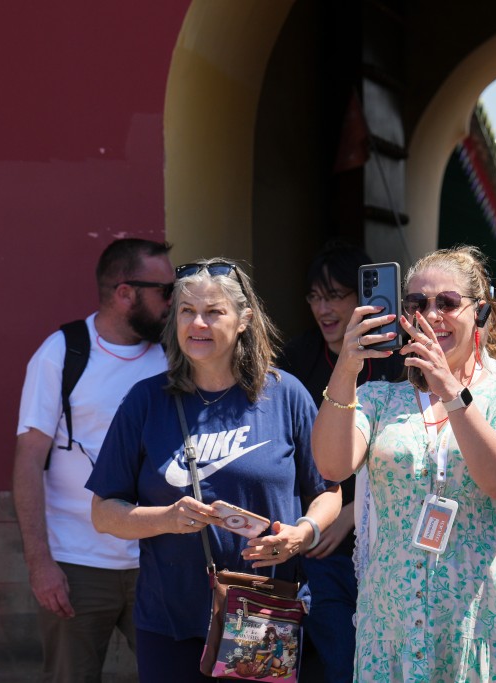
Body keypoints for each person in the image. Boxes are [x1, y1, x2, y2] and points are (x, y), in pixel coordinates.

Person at [312, 246, 496, 682]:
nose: (431, 314)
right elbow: (333, 467)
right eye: (416, 304)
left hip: (486, 621)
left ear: (480, 312)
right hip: (394, 624)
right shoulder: (379, 399)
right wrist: (348, 367)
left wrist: (450, 391)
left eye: (447, 303)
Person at [86, 258, 342, 683]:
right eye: (187, 311)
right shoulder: (145, 402)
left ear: (243, 320)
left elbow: (328, 490)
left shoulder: (285, 395)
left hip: (262, 614)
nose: (197, 323)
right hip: (170, 623)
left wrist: (303, 535)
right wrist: (165, 519)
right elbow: (103, 512)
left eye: (213, 312)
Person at [13, 237, 174, 682]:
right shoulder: (62, 353)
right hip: (78, 565)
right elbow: (28, 461)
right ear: (125, 293)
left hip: (156, 559)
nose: (174, 303)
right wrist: (40, 564)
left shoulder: (174, 354)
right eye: (165, 291)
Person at [278, 240, 404, 681]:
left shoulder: (402, 358)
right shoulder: (296, 358)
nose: (323, 308)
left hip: (391, 540)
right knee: (342, 664)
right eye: (315, 296)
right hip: (322, 546)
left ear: (364, 298)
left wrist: (353, 511)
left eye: (335, 295)